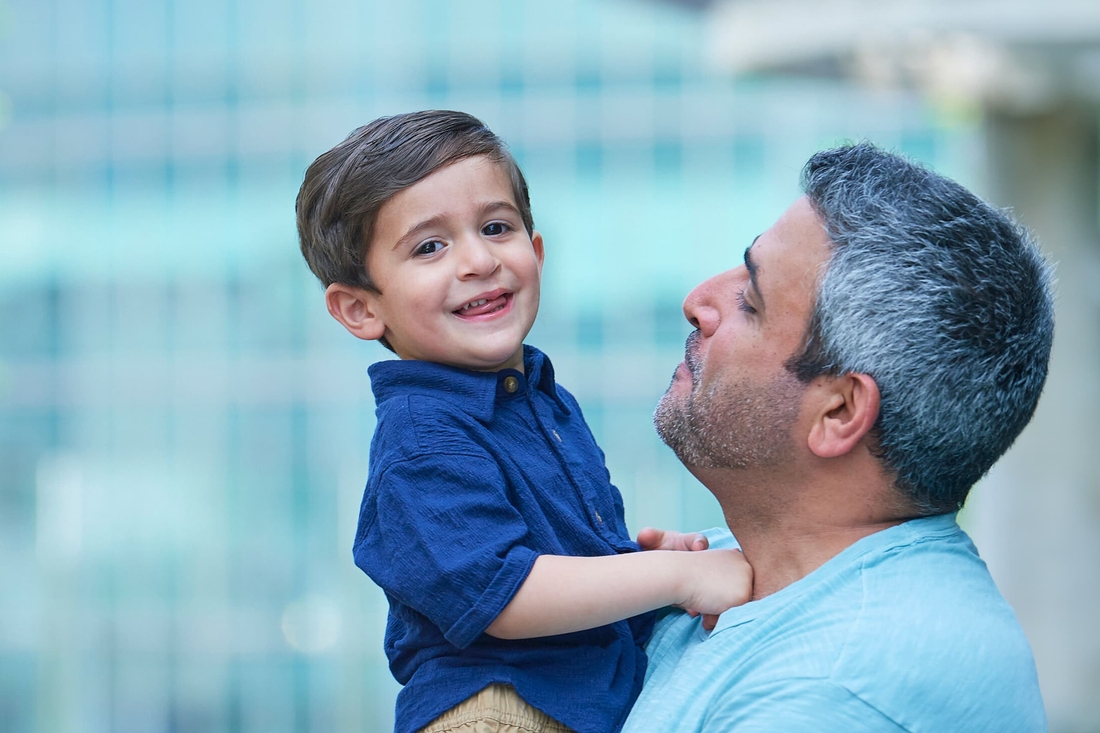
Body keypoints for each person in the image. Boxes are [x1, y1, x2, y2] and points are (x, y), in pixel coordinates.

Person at [295, 110, 752, 733]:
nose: (479, 260)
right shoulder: (424, 438)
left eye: (496, 226)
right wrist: (681, 576)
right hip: (499, 712)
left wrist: (633, 569)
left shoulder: (536, 400)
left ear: (535, 251)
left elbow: (553, 571)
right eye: (430, 246)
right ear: (360, 307)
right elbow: (506, 596)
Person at [622, 142, 1052, 732]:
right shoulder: (724, 576)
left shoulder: (834, 688)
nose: (698, 301)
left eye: (750, 300)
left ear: (839, 411)